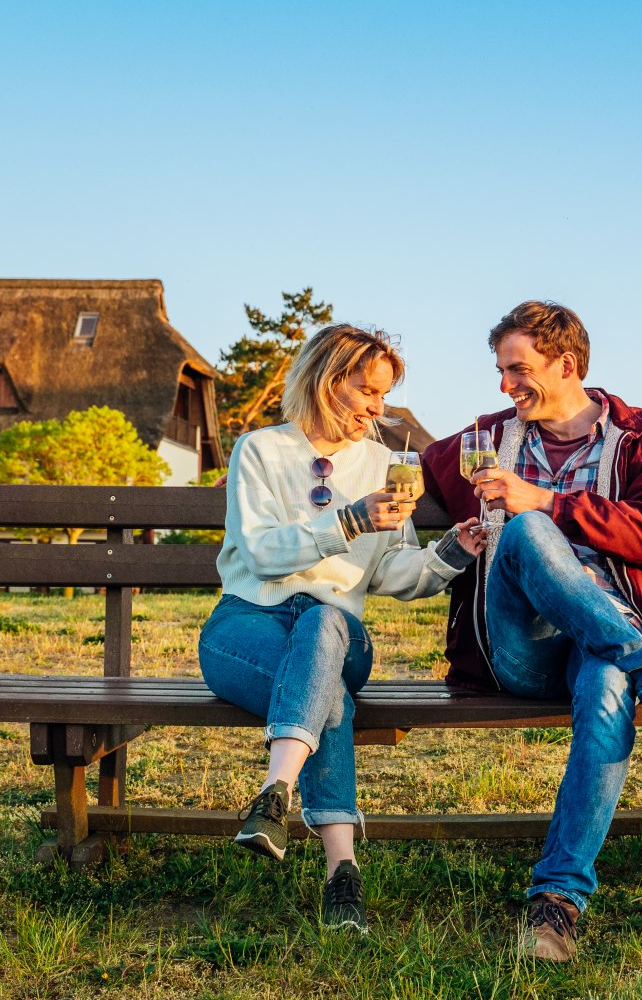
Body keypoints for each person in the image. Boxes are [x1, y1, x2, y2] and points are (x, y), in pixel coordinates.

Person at [421, 300, 642, 963]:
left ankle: (556, 904)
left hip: (606, 634)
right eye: (500, 370)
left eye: (518, 369)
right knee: (527, 532)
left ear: (566, 364)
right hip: (520, 648)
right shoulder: (487, 438)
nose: (504, 384)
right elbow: (413, 461)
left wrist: (548, 501)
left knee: (608, 680)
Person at [200, 323, 484, 933]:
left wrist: (449, 554)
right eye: (367, 391)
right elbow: (260, 554)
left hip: (338, 630)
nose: (379, 409)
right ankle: (342, 873)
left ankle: (275, 793)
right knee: (326, 694)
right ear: (328, 382)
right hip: (246, 622)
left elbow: (389, 570)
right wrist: (350, 520)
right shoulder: (259, 450)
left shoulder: (383, 464)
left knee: (325, 623)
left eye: (384, 395)